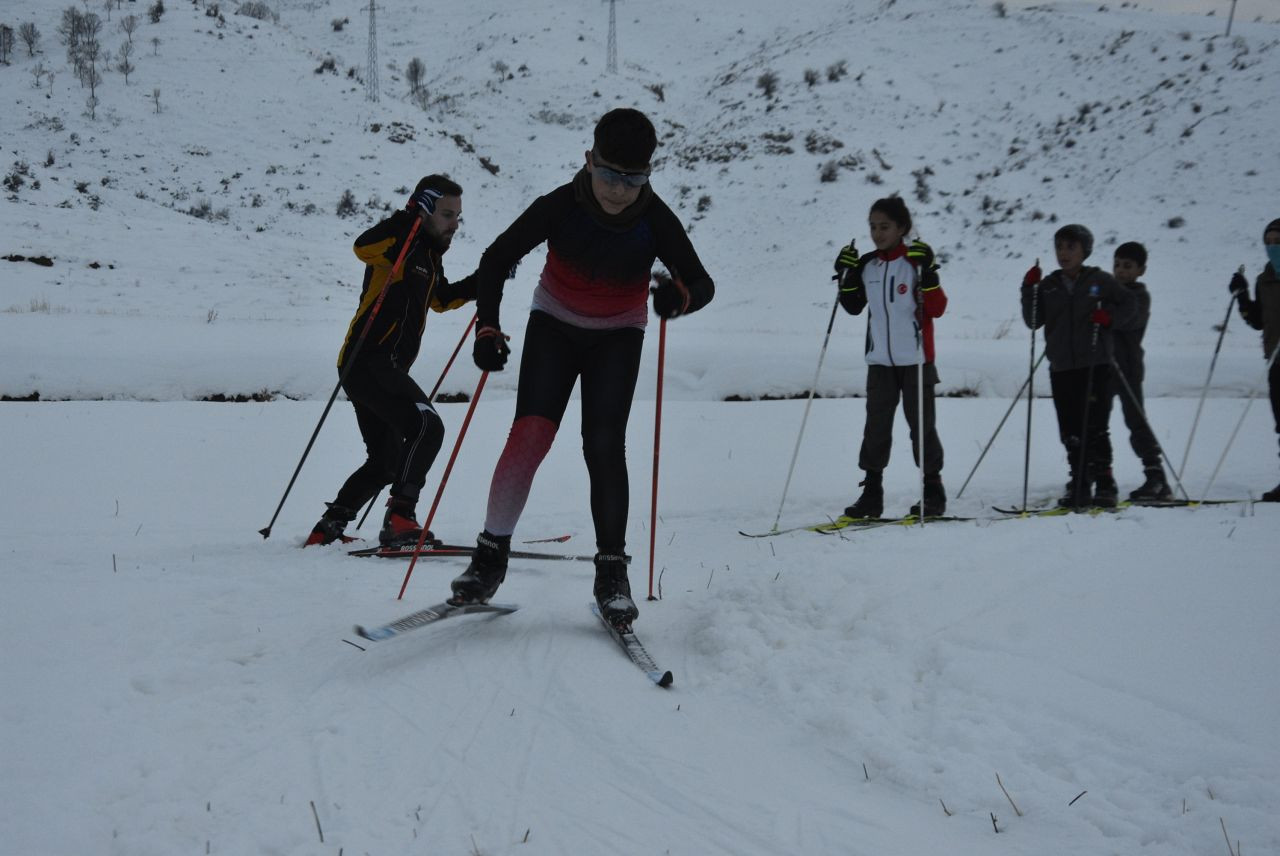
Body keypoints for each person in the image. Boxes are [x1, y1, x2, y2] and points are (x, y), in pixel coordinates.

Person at [445, 108, 715, 626]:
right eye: (610, 173)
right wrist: (488, 327)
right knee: (529, 436)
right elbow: (497, 259)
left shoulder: (655, 217)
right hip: (555, 325)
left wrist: (680, 299)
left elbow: (702, 283)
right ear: (589, 160)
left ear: (649, 175)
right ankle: (489, 558)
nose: (619, 189)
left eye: (633, 179)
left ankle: (612, 572)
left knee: (604, 444)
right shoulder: (561, 205)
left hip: (619, 334)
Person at [305, 175, 477, 547]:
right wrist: (408, 218)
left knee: (386, 460)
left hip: (385, 368)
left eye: (458, 217)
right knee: (426, 426)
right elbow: (361, 246)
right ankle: (400, 518)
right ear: (426, 209)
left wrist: (484, 282)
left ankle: (328, 528)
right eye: (447, 214)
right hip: (367, 360)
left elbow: (441, 300)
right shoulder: (397, 246)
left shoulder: (428, 257)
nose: (454, 224)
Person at [832, 197, 948, 519]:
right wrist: (845, 276)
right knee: (876, 429)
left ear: (902, 228)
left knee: (921, 428)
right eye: (873, 227)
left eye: (884, 227)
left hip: (916, 360)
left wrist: (930, 275)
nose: (877, 233)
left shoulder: (915, 263)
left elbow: (937, 308)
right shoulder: (869, 265)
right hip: (880, 362)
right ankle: (871, 494)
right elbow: (854, 306)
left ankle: (932, 491)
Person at [1020, 224, 1137, 508]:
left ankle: (1105, 479)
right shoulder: (1049, 285)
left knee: (1095, 424)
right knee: (1069, 427)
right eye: (1059, 247)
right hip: (1061, 366)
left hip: (1095, 363)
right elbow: (1034, 321)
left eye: (1071, 247)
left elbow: (1129, 306)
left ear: (1085, 251)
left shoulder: (1100, 280)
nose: (1064, 253)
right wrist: (1028, 289)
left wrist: (1108, 317)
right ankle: (1080, 478)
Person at [1109, 241, 1172, 500]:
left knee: (1136, 421)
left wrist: (1105, 312)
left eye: (1127, 266)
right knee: (1093, 423)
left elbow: (1129, 320)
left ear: (1140, 270)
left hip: (1127, 367)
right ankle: (1095, 475)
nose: (1121, 271)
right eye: (1117, 265)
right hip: (1102, 366)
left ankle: (1156, 476)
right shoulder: (1107, 292)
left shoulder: (1138, 296)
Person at [1229, 217, 1280, 501]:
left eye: (1278, 242)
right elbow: (1259, 320)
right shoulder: (1265, 280)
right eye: (1269, 243)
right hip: (1276, 360)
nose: (1273, 247)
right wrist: (1242, 296)